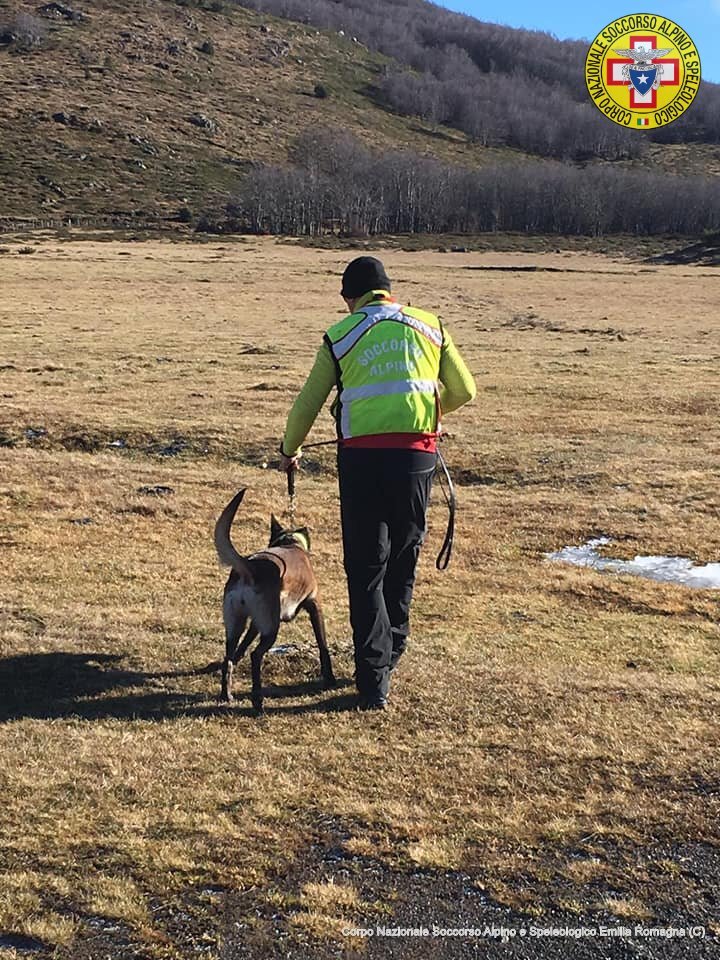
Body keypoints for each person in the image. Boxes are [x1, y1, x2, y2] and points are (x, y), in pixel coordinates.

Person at [279, 256, 476, 710]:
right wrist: (429, 413)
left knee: (366, 567)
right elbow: (465, 390)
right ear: (388, 290)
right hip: (416, 459)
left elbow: (308, 402)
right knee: (404, 559)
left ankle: (373, 681)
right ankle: (393, 652)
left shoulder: (341, 335)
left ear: (351, 297)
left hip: (362, 461)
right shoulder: (431, 326)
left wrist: (290, 450)